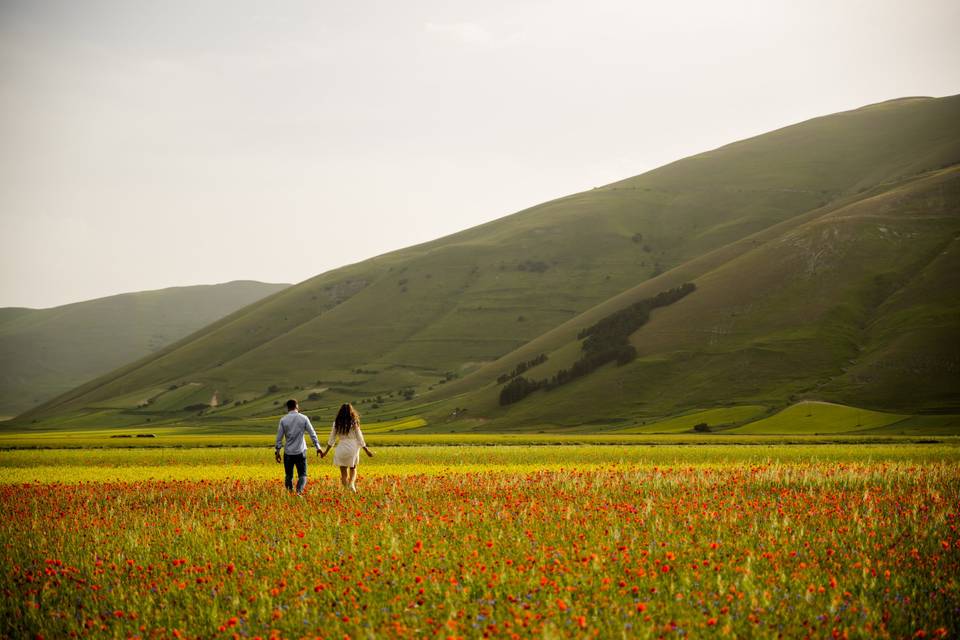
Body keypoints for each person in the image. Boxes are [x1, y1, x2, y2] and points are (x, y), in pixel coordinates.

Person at [320, 403, 373, 492]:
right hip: (353, 447)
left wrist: (325, 452)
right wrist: (366, 450)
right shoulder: (354, 422)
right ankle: (352, 484)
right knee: (353, 468)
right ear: (351, 411)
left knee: (343, 474)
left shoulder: (336, 423)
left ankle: (346, 489)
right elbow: (359, 436)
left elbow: (331, 438)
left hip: (341, 447)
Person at [274, 399, 321, 496]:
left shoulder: (283, 420)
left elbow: (279, 437)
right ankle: (298, 493)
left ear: (288, 408)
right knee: (303, 475)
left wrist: (277, 451)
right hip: (300, 452)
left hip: (288, 452)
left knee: (288, 476)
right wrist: (318, 447)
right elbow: (312, 434)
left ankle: (290, 494)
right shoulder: (304, 418)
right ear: (297, 406)